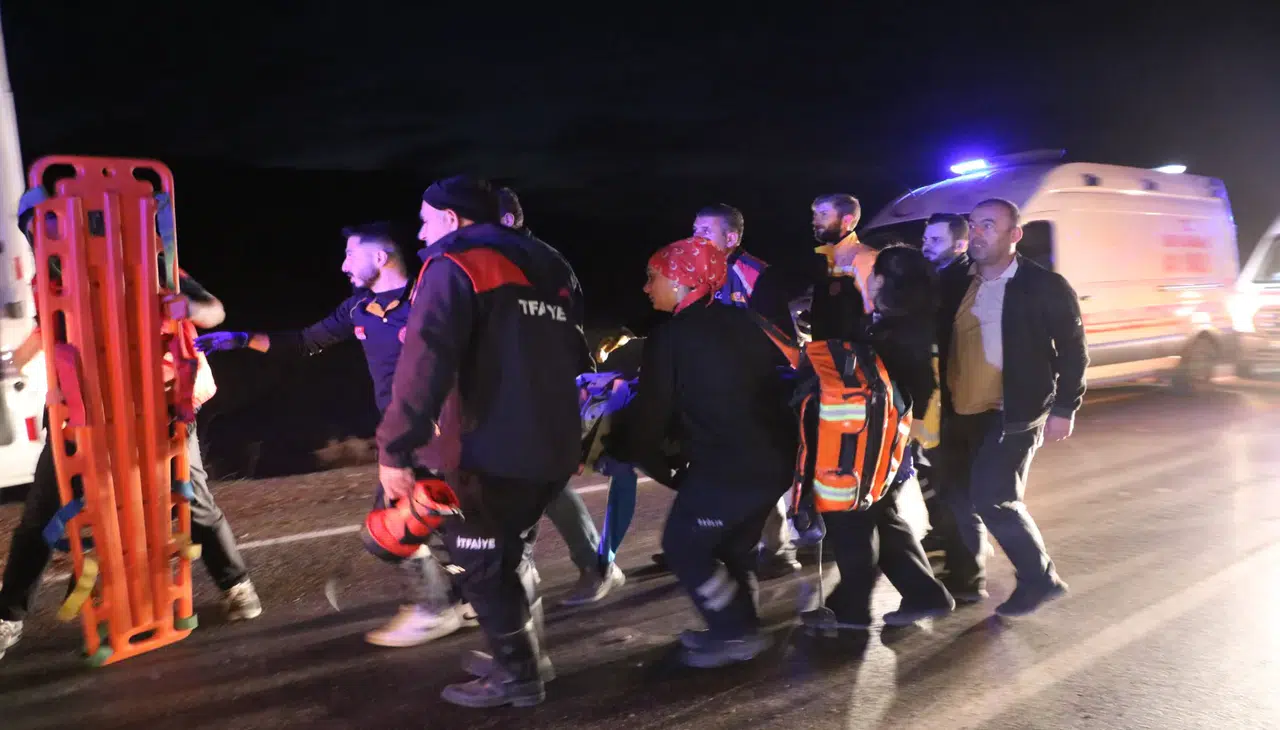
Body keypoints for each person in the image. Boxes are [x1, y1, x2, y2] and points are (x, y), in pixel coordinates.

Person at [1, 188, 260, 662]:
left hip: (157, 401)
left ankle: (236, 583)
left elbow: (213, 310)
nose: (42, 235)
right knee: (43, 508)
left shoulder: (145, 260)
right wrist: (22, 355)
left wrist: (188, 309)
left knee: (190, 495)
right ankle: (9, 617)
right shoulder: (50, 276)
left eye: (49, 223)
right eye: (33, 228)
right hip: (82, 408)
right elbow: (54, 328)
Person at [195, 222, 477, 647]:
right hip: (401, 430)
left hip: (439, 431)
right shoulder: (358, 308)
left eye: (350, 254)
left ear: (379, 258)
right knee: (436, 519)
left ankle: (433, 609)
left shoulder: (428, 298)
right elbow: (306, 341)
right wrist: (239, 339)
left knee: (396, 526)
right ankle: (468, 599)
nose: (343, 265)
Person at [376, 175, 587, 708]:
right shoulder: (552, 262)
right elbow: (572, 350)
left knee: (485, 567)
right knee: (511, 553)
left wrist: (395, 447)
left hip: (487, 449)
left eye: (426, 220)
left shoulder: (454, 264)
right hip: (555, 441)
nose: (421, 232)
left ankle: (518, 678)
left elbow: (424, 360)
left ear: (451, 219)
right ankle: (524, 654)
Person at [616, 236, 797, 668]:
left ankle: (735, 634)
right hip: (773, 461)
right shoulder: (747, 320)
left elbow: (650, 417)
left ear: (680, 281)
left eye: (652, 277)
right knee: (732, 549)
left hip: (730, 464)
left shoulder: (671, 336)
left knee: (685, 546)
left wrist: (635, 453)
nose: (646, 287)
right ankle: (740, 624)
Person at [937, 198, 1082, 617]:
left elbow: (1073, 351)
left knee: (994, 498)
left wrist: (1064, 408)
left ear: (1014, 235)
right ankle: (967, 578)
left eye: (988, 225)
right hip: (960, 409)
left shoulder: (1043, 285)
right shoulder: (954, 282)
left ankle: (1041, 579)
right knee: (957, 497)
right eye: (973, 225)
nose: (977, 233)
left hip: (1014, 410)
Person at [801, 245, 955, 632]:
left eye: (871, 272)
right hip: (887, 443)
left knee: (851, 520)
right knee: (880, 515)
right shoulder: (903, 322)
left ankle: (850, 609)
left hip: (871, 446)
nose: (865, 277)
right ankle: (925, 594)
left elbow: (915, 385)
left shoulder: (892, 331)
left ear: (884, 280)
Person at [495, 187, 626, 607]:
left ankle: (592, 565)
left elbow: (554, 330)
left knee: (538, 478)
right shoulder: (506, 261)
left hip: (542, 386)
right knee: (523, 476)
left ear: (509, 221)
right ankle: (529, 571)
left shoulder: (539, 262)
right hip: (513, 386)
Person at [914, 213, 978, 595]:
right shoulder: (938, 280)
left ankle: (967, 576)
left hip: (954, 402)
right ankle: (949, 548)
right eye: (925, 238)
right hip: (937, 400)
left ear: (960, 244)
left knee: (956, 491)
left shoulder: (962, 284)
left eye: (935, 239)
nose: (926, 245)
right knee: (937, 480)